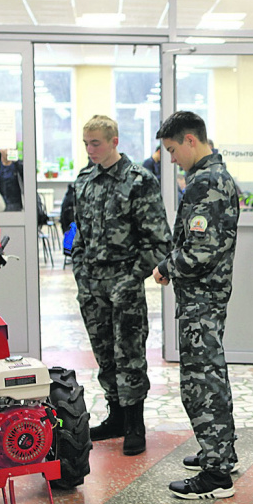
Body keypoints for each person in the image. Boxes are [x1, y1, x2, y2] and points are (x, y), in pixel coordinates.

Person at [152, 111, 240, 500]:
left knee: (201, 382)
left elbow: (201, 250)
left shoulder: (206, 183)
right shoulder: (213, 178)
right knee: (211, 376)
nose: (171, 159)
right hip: (205, 298)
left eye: (172, 150)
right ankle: (221, 452)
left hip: (201, 299)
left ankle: (217, 474)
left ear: (190, 140)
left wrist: (165, 267)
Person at [71, 115, 171, 456]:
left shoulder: (138, 180)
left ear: (114, 141)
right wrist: (80, 271)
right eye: (86, 143)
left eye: (95, 142)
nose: (90, 149)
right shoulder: (84, 180)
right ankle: (115, 416)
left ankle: (134, 424)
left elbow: (159, 242)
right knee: (104, 355)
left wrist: (131, 278)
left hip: (124, 285)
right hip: (92, 286)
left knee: (129, 354)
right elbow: (78, 234)